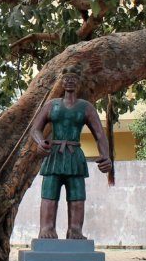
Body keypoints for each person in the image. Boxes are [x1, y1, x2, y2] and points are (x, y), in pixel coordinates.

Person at [29, 65, 113, 240]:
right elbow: (35, 129)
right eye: (66, 78)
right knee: (49, 192)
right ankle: (46, 227)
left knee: (77, 194)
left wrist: (106, 156)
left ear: (79, 82)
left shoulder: (86, 107)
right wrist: (40, 142)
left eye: (73, 78)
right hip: (54, 155)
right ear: (61, 82)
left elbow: (99, 135)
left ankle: (75, 229)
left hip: (75, 156)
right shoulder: (51, 105)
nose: (69, 81)